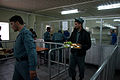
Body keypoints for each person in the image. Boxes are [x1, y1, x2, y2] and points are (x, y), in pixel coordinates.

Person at [9, 15, 38, 80]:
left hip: (24, 64)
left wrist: (32, 68)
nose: (11, 27)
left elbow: (31, 51)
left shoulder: (25, 33)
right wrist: (12, 50)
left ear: (17, 23)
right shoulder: (21, 33)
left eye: (12, 24)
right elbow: (21, 46)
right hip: (18, 63)